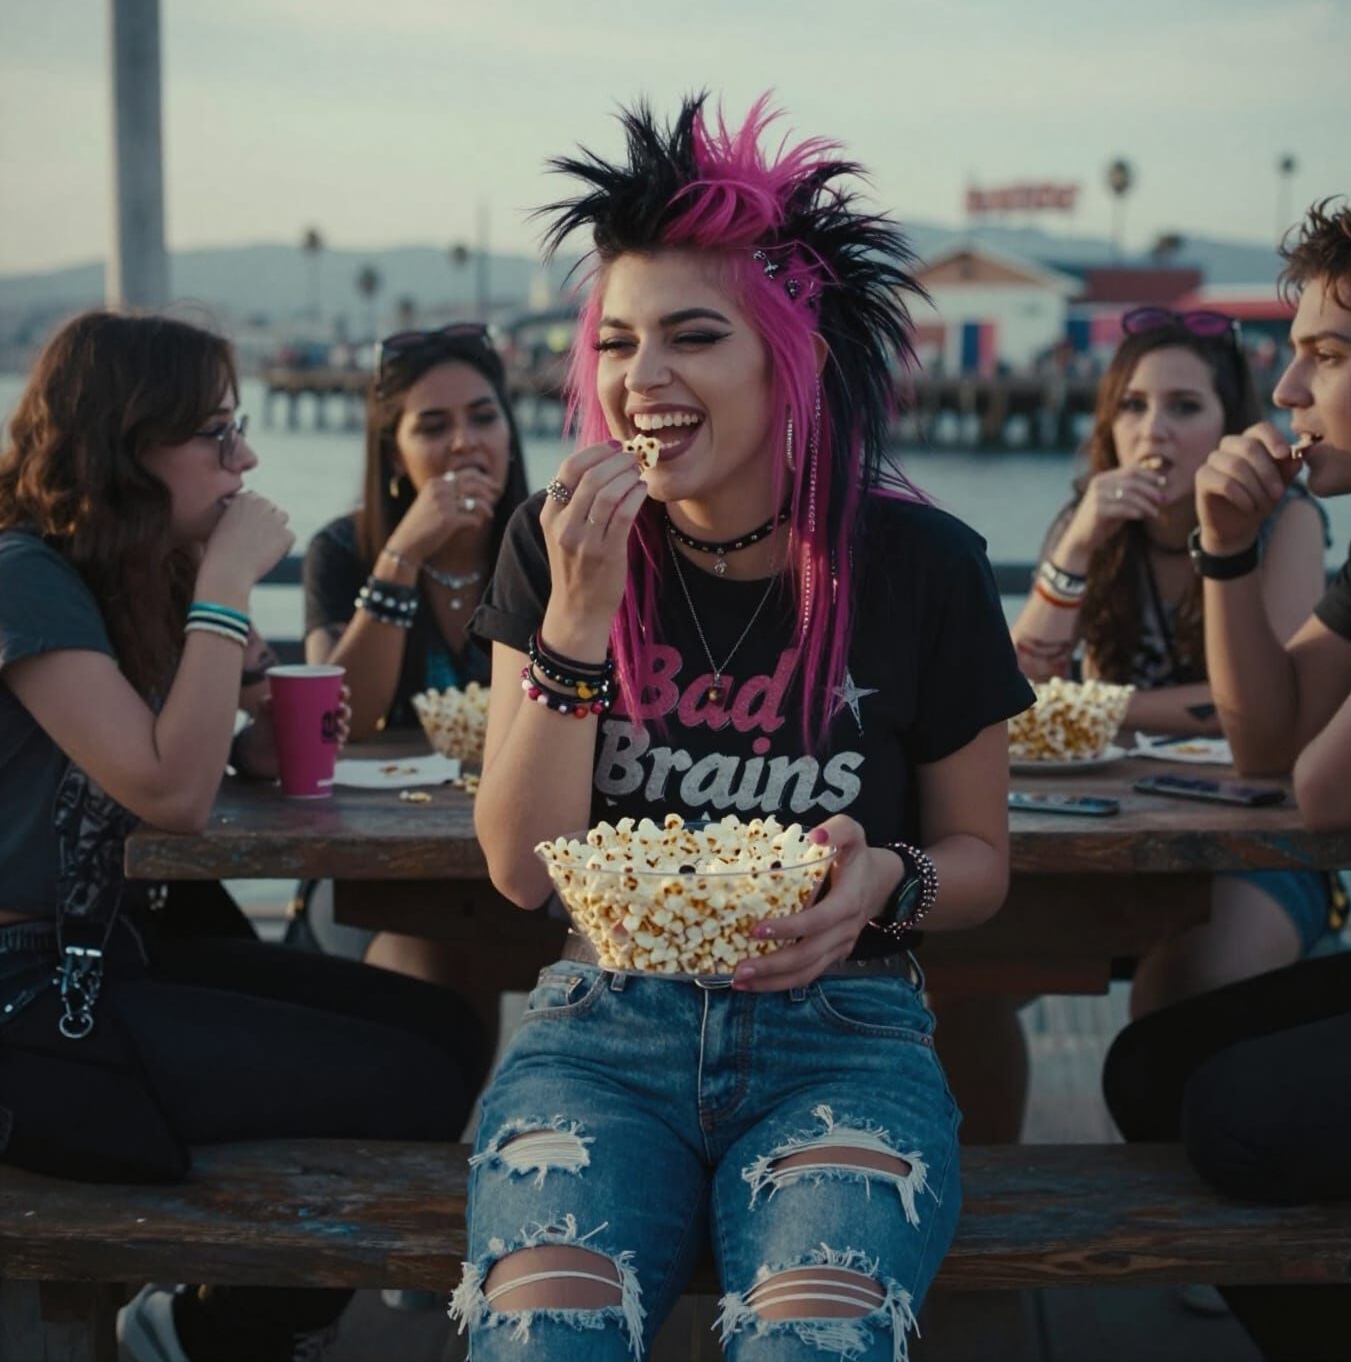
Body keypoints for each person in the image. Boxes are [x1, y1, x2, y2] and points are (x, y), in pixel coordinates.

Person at [452, 95, 1035, 1361]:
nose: (638, 381)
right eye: (614, 342)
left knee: (813, 1341)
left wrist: (888, 877)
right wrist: (579, 617)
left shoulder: (923, 566)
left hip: (847, 1036)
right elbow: (518, 867)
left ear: (794, 354)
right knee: (545, 1339)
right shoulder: (556, 547)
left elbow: (982, 861)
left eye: (692, 338)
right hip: (601, 1035)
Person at [0, 312, 490, 1362]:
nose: (248, 458)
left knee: (449, 1034)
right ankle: (205, 1326)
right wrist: (227, 585)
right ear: (130, 446)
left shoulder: (121, 572)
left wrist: (264, 718)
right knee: (414, 1086)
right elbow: (171, 794)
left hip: (114, 952)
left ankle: (208, 1307)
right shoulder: (24, 578)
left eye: (244, 429)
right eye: (217, 435)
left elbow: (224, 764)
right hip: (30, 1007)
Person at [1103, 193, 1351, 1362]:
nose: (1287, 393)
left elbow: (1330, 794)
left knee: (1233, 1115)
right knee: (1152, 1067)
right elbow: (1266, 747)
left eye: (1327, 356)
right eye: (1290, 359)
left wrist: (1350, 752)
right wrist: (1229, 549)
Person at [1009, 308, 1337, 1018]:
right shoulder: (1088, 521)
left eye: (1183, 406)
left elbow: (1257, 708)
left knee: (1180, 996)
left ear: (1228, 428)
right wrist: (1074, 551)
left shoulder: (1289, 522)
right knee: (968, 976)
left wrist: (1094, 708)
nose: (1152, 430)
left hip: (1252, 846)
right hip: (1101, 833)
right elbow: (1009, 694)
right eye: (1133, 405)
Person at [297, 323, 529, 997]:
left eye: (484, 417)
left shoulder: (548, 551)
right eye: (432, 427)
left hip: (514, 866)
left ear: (510, 436)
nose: (464, 441)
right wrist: (402, 558)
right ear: (395, 457)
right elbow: (340, 723)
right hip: (374, 873)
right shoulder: (344, 550)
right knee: (428, 970)